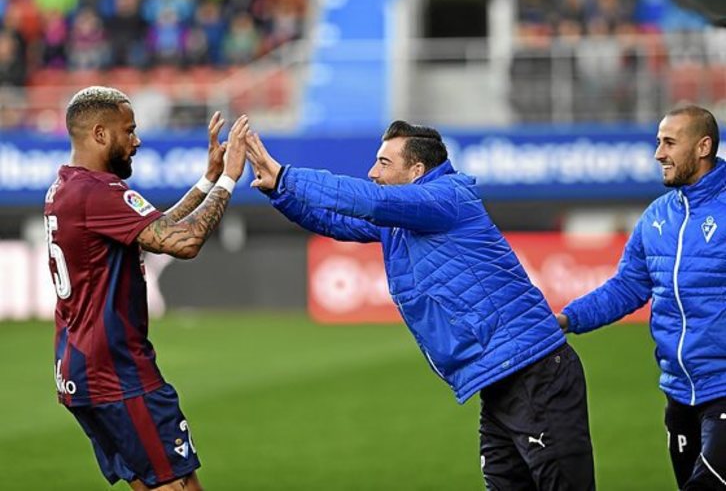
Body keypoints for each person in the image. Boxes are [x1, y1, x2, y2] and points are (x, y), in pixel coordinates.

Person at [245, 120, 596, 490]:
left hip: (533, 373)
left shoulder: (446, 197)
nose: (372, 172)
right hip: (502, 379)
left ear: (416, 171)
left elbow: (370, 200)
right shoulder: (402, 219)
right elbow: (335, 221)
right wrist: (279, 191)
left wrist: (286, 175)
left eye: (384, 163)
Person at [44, 86, 248, 491]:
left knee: (169, 484)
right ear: (100, 134)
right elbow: (183, 242)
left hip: (82, 368)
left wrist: (208, 179)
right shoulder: (97, 192)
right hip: (117, 373)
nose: (136, 141)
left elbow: (156, 230)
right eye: (129, 130)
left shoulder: (68, 187)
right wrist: (230, 178)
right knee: (177, 486)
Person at [558, 105, 726, 490]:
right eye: (658, 142)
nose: (658, 154)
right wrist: (566, 319)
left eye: (669, 143)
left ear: (703, 147)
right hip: (679, 393)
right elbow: (627, 287)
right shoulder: (656, 217)